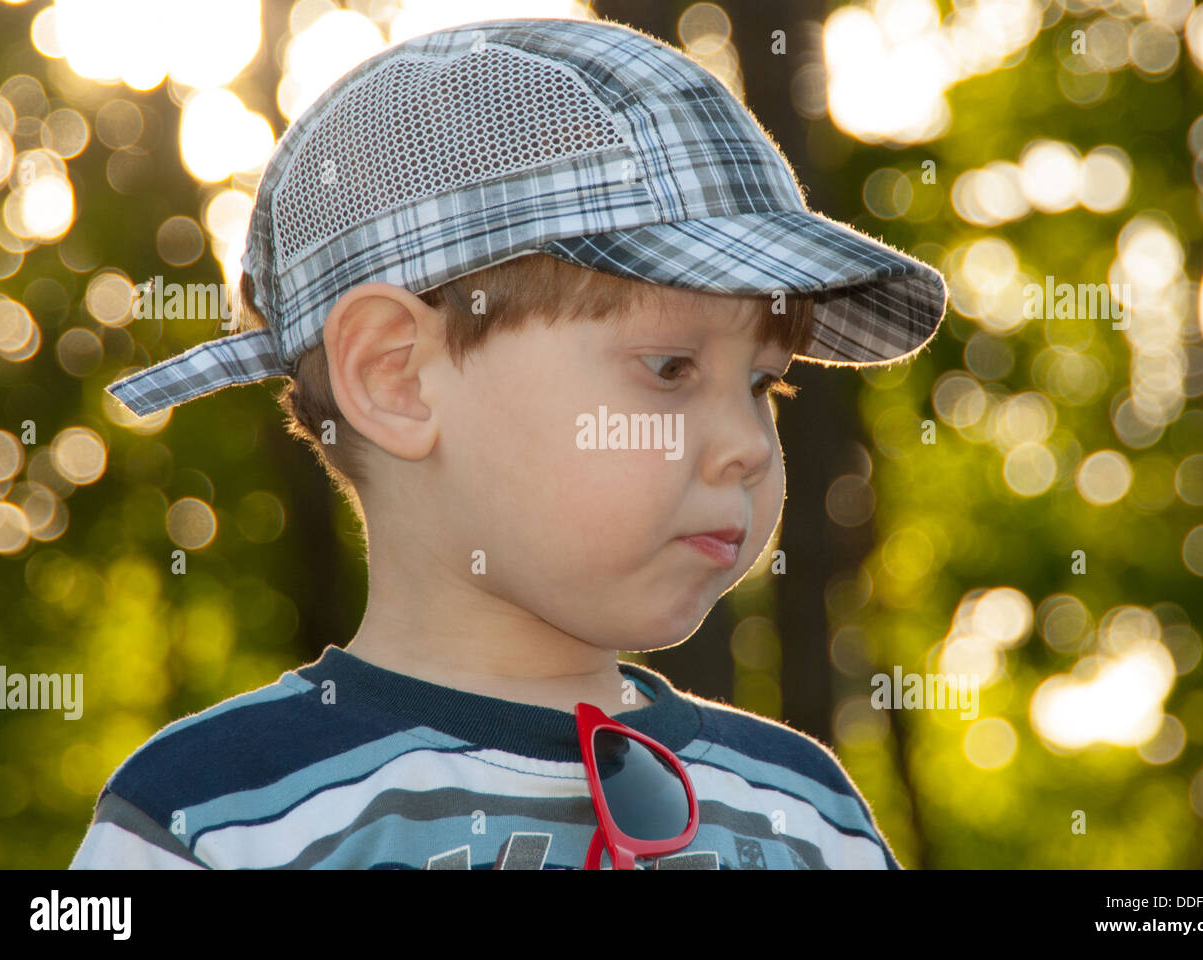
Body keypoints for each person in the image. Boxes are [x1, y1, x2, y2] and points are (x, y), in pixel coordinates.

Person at [71, 16, 946, 870]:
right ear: (396, 378)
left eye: (763, 384)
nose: (749, 446)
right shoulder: (220, 815)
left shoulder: (805, 814)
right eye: (671, 368)